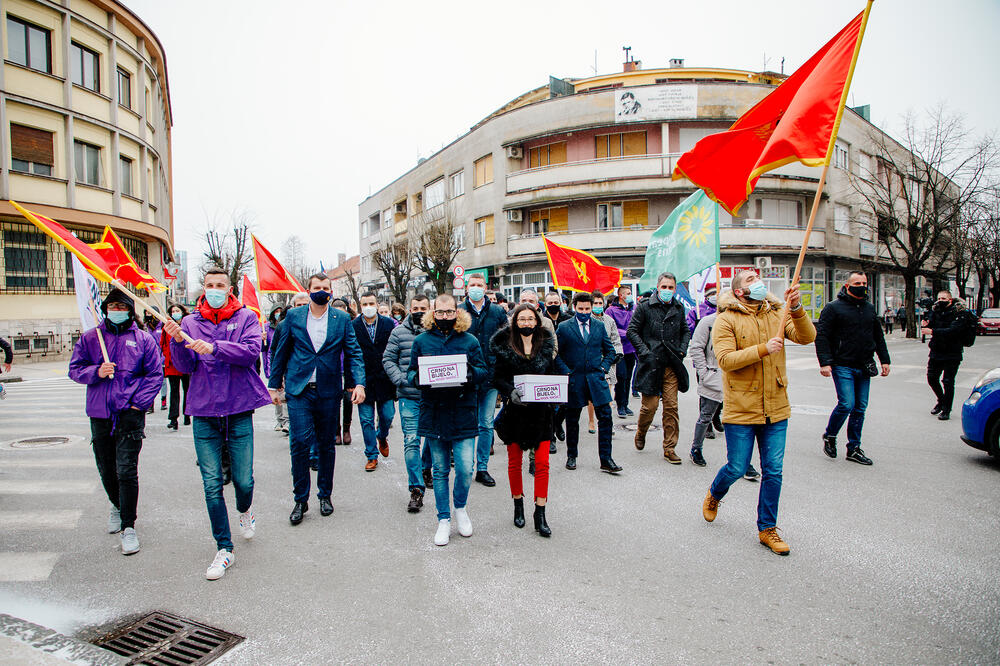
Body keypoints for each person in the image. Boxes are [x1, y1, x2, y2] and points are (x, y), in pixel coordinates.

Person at [164, 268, 272, 580]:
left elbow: (251, 353)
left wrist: (214, 348)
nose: (214, 289)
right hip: (204, 411)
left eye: (219, 285)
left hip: (238, 409)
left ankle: (245, 510)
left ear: (229, 289)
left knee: (243, 481)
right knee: (211, 485)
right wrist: (176, 342)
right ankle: (224, 549)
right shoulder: (189, 322)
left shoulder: (246, 318)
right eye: (209, 285)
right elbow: (184, 366)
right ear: (204, 288)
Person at [701, 270, 816, 556]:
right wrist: (764, 349)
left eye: (758, 277)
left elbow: (807, 337)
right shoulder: (726, 319)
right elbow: (726, 360)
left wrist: (798, 308)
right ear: (739, 291)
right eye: (751, 280)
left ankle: (767, 529)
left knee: (773, 471)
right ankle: (715, 492)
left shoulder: (776, 312)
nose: (758, 282)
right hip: (741, 407)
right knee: (737, 467)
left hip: (776, 405)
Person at [68, 288, 162, 556]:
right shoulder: (90, 338)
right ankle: (116, 503)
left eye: (123, 307)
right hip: (100, 413)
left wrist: (138, 404)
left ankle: (128, 526)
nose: (117, 311)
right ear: (105, 308)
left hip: (130, 414)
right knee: (106, 468)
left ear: (130, 310)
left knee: (126, 470)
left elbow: (154, 374)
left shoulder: (143, 340)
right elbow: (74, 369)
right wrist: (95, 372)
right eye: (113, 306)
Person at [268, 273, 366, 525]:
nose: (321, 290)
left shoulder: (342, 319)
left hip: (328, 390)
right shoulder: (294, 316)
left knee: (325, 444)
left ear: (331, 291)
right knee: (299, 442)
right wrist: (273, 385)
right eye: (316, 287)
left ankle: (325, 495)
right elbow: (281, 351)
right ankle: (300, 499)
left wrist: (359, 383)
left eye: (325, 287)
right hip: (299, 389)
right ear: (308, 290)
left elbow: (353, 352)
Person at [407, 294, 487, 546]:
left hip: (462, 411)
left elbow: (483, 371)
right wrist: (419, 378)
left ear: (457, 312)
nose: (444, 317)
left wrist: (467, 372)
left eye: (449, 312)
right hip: (434, 412)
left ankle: (460, 508)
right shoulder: (421, 341)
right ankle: (443, 519)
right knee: (440, 470)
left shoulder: (469, 340)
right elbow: (410, 372)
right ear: (433, 313)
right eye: (439, 313)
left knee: (465, 468)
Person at [491, 304, 560, 537]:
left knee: (542, 464)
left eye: (531, 319)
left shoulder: (545, 344)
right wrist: (509, 391)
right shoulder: (505, 346)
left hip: (541, 413)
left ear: (537, 322)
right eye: (522, 319)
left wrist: (558, 388)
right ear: (515, 322)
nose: (527, 323)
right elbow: (497, 377)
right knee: (514, 462)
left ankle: (540, 513)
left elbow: (552, 375)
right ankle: (517, 504)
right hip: (515, 413)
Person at [815, 272, 890, 465]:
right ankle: (830, 435)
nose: (862, 286)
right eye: (857, 283)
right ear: (847, 286)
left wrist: (885, 360)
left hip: (864, 365)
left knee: (860, 408)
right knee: (846, 404)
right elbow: (822, 336)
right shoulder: (833, 308)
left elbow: (878, 336)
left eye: (864, 283)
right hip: (842, 364)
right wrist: (825, 362)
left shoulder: (869, 308)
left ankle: (854, 448)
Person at [627, 272, 691, 464]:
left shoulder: (678, 308)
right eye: (664, 287)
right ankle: (641, 431)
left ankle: (669, 448)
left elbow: (685, 331)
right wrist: (645, 352)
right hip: (652, 364)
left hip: (672, 364)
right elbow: (632, 330)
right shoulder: (645, 307)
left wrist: (681, 351)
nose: (667, 291)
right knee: (650, 406)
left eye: (671, 287)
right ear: (657, 287)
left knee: (671, 407)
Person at [555, 292, 621, 474]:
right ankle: (571, 455)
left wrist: (603, 368)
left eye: (587, 308)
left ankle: (606, 459)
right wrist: (566, 371)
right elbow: (556, 353)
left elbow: (610, 351)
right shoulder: (564, 327)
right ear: (574, 308)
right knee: (572, 419)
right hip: (574, 379)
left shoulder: (599, 326)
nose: (584, 312)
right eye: (580, 308)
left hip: (596, 379)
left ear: (592, 308)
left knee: (606, 417)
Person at [383, 294, 434, 512]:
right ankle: (416, 489)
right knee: (412, 441)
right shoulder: (398, 332)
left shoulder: (436, 332)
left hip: (433, 396)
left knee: (433, 438)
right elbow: (388, 359)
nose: (419, 311)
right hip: (408, 396)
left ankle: (425, 467)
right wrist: (401, 380)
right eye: (416, 307)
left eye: (424, 307)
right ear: (409, 309)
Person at [462, 272, 508, 487]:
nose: (476, 288)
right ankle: (466, 467)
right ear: (466, 287)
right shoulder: (460, 311)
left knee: (486, 423)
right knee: (468, 423)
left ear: (486, 287)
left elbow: (506, 341)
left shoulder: (497, 311)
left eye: (479, 284)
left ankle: (482, 468)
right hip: (467, 376)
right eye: (472, 284)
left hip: (490, 375)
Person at [353, 292, 397, 470]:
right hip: (363, 379)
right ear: (360, 306)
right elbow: (350, 355)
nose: (368, 307)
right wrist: (352, 383)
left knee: (387, 415)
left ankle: (382, 435)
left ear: (377, 305)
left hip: (385, 378)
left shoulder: (388, 323)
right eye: (365, 304)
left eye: (371, 303)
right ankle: (371, 455)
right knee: (366, 420)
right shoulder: (353, 326)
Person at [922, 290, 974, 421]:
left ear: (950, 300)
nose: (940, 300)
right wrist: (927, 323)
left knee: (948, 382)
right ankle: (941, 400)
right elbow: (932, 324)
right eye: (939, 298)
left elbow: (953, 331)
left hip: (952, 353)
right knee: (931, 378)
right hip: (936, 351)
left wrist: (932, 331)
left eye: (944, 298)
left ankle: (946, 409)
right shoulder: (936, 311)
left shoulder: (959, 313)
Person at [587, 291, 622, 433]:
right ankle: (591, 421)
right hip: (591, 362)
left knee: (608, 394)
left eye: (600, 303)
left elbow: (615, 339)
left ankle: (608, 423)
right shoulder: (586, 319)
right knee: (592, 394)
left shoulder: (609, 320)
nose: (597, 306)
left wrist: (618, 353)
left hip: (608, 362)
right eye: (595, 303)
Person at [606, 285, 637, 418]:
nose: (630, 295)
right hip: (619, 349)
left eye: (631, 293)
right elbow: (611, 328)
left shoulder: (633, 309)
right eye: (628, 293)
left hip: (631, 349)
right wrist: (627, 333)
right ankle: (620, 405)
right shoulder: (611, 311)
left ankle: (626, 404)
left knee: (628, 377)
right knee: (621, 376)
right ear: (621, 295)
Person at [161, 303, 191, 430]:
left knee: (187, 390)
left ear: (182, 312)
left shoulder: (187, 325)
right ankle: (173, 419)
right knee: (174, 391)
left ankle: (187, 414)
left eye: (177, 310)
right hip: (172, 364)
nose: (175, 313)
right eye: (173, 311)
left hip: (185, 363)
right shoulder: (166, 326)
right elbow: (162, 344)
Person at [332, 299, 356, 444]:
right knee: (335, 403)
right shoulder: (329, 327)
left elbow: (354, 351)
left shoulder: (350, 326)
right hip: (333, 371)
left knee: (348, 401)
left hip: (347, 371)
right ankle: (336, 430)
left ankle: (346, 429)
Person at [262, 306, 288, 433]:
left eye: (280, 311)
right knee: (278, 392)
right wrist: (262, 339)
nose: (278, 314)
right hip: (273, 364)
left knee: (287, 394)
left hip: (287, 366)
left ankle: (287, 422)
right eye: (276, 312)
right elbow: (267, 349)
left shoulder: (288, 326)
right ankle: (280, 420)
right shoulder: (268, 327)